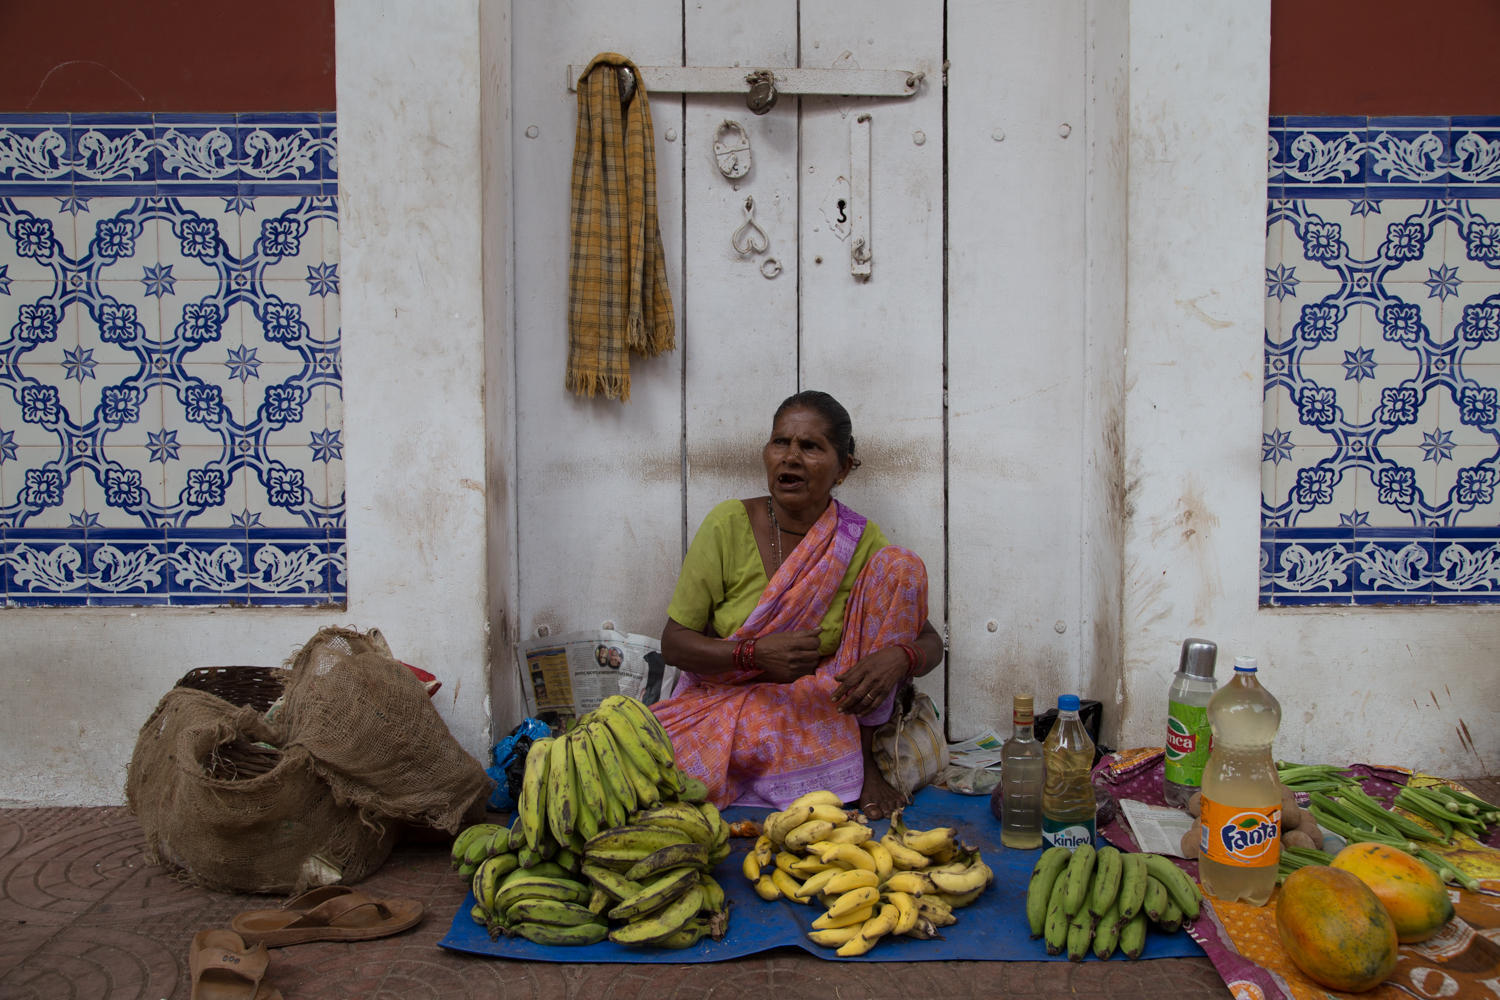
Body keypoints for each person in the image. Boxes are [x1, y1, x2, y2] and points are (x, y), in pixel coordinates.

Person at [651, 390, 944, 819]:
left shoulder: (857, 539)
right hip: (732, 700)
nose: (790, 457)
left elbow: (930, 641)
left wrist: (900, 657)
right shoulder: (727, 525)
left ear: (843, 468)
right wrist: (752, 654)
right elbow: (674, 644)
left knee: (902, 566)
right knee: (653, 752)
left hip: (824, 703)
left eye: (810, 446)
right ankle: (826, 771)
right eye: (780, 442)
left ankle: (863, 763)